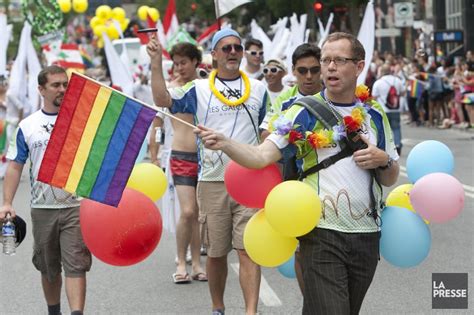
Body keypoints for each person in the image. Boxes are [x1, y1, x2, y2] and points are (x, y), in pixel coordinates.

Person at [195, 32, 399, 315]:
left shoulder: (374, 114)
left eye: (339, 60)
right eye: (326, 60)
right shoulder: (301, 112)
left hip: (367, 234)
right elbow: (261, 156)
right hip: (322, 232)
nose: (329, 67)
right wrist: (226, 143)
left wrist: (384, 159)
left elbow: (390, 177)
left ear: (359, 66)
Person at [147, 28, 268, 315]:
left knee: (247, 249)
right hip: (213, 180)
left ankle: (251, 311)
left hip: (249, 180)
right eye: (225, 48)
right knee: (216, 253)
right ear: (213, 54)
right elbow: (163, 100)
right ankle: (218, 307)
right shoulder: (198, 89)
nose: (233, 53)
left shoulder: (259, 89)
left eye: (237, 48)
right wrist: (154, 62)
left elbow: (264, 132)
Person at [0, 65, 91, 315]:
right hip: (43, 208)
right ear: (41, 89)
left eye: (65, 84)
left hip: (75, 205)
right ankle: (54, 312)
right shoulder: (27, 126)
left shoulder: (80, 120)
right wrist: (7, 202)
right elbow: (16, 166)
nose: (62, 89)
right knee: (48, 268)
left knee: (76, 264)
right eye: (56, 85)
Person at [149, 42, 207, 283]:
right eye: (176, 63)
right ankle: (181, 262)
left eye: (184, 62)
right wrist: (154, 156)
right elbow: (157, 123)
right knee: (188, 211)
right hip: (181, 156)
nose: (180, 67)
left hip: (207, 157)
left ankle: (196, 263)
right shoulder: (171, 91)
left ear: (196, 62)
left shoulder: (207, 88)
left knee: (199, 214)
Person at [372, 64, 405, 155]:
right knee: (396, 128)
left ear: (382, 71)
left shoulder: (378, 82)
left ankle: (386, 147)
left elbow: (373, 98)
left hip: (383, 110)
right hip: (395, 109)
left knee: (384, 129)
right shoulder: (397, 80)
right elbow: (403, 93)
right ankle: (398, 144)